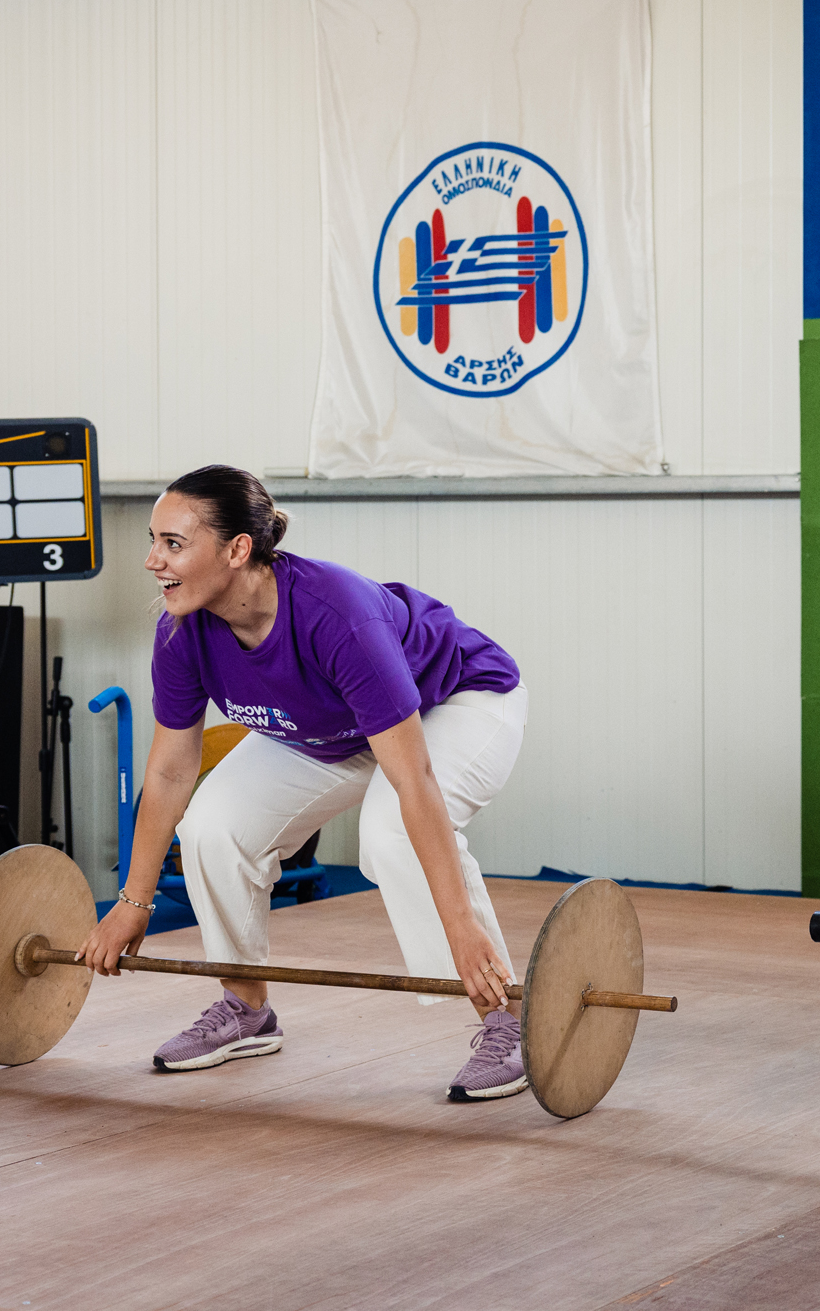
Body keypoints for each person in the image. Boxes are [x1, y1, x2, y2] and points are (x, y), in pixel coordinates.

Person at [75, 465, 533, 1102]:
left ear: (238, 550)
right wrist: (133, 901)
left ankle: (505, 1016)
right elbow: (171, 769)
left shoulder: (337, 617)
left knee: (389, 830)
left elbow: (414, 777)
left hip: (456, 702)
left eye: (173, 543)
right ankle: (245, 1007)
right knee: (211, 825)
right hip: (333, 728)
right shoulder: (182, 630)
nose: (153, 560)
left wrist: (457, 927)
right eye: (153, 541)